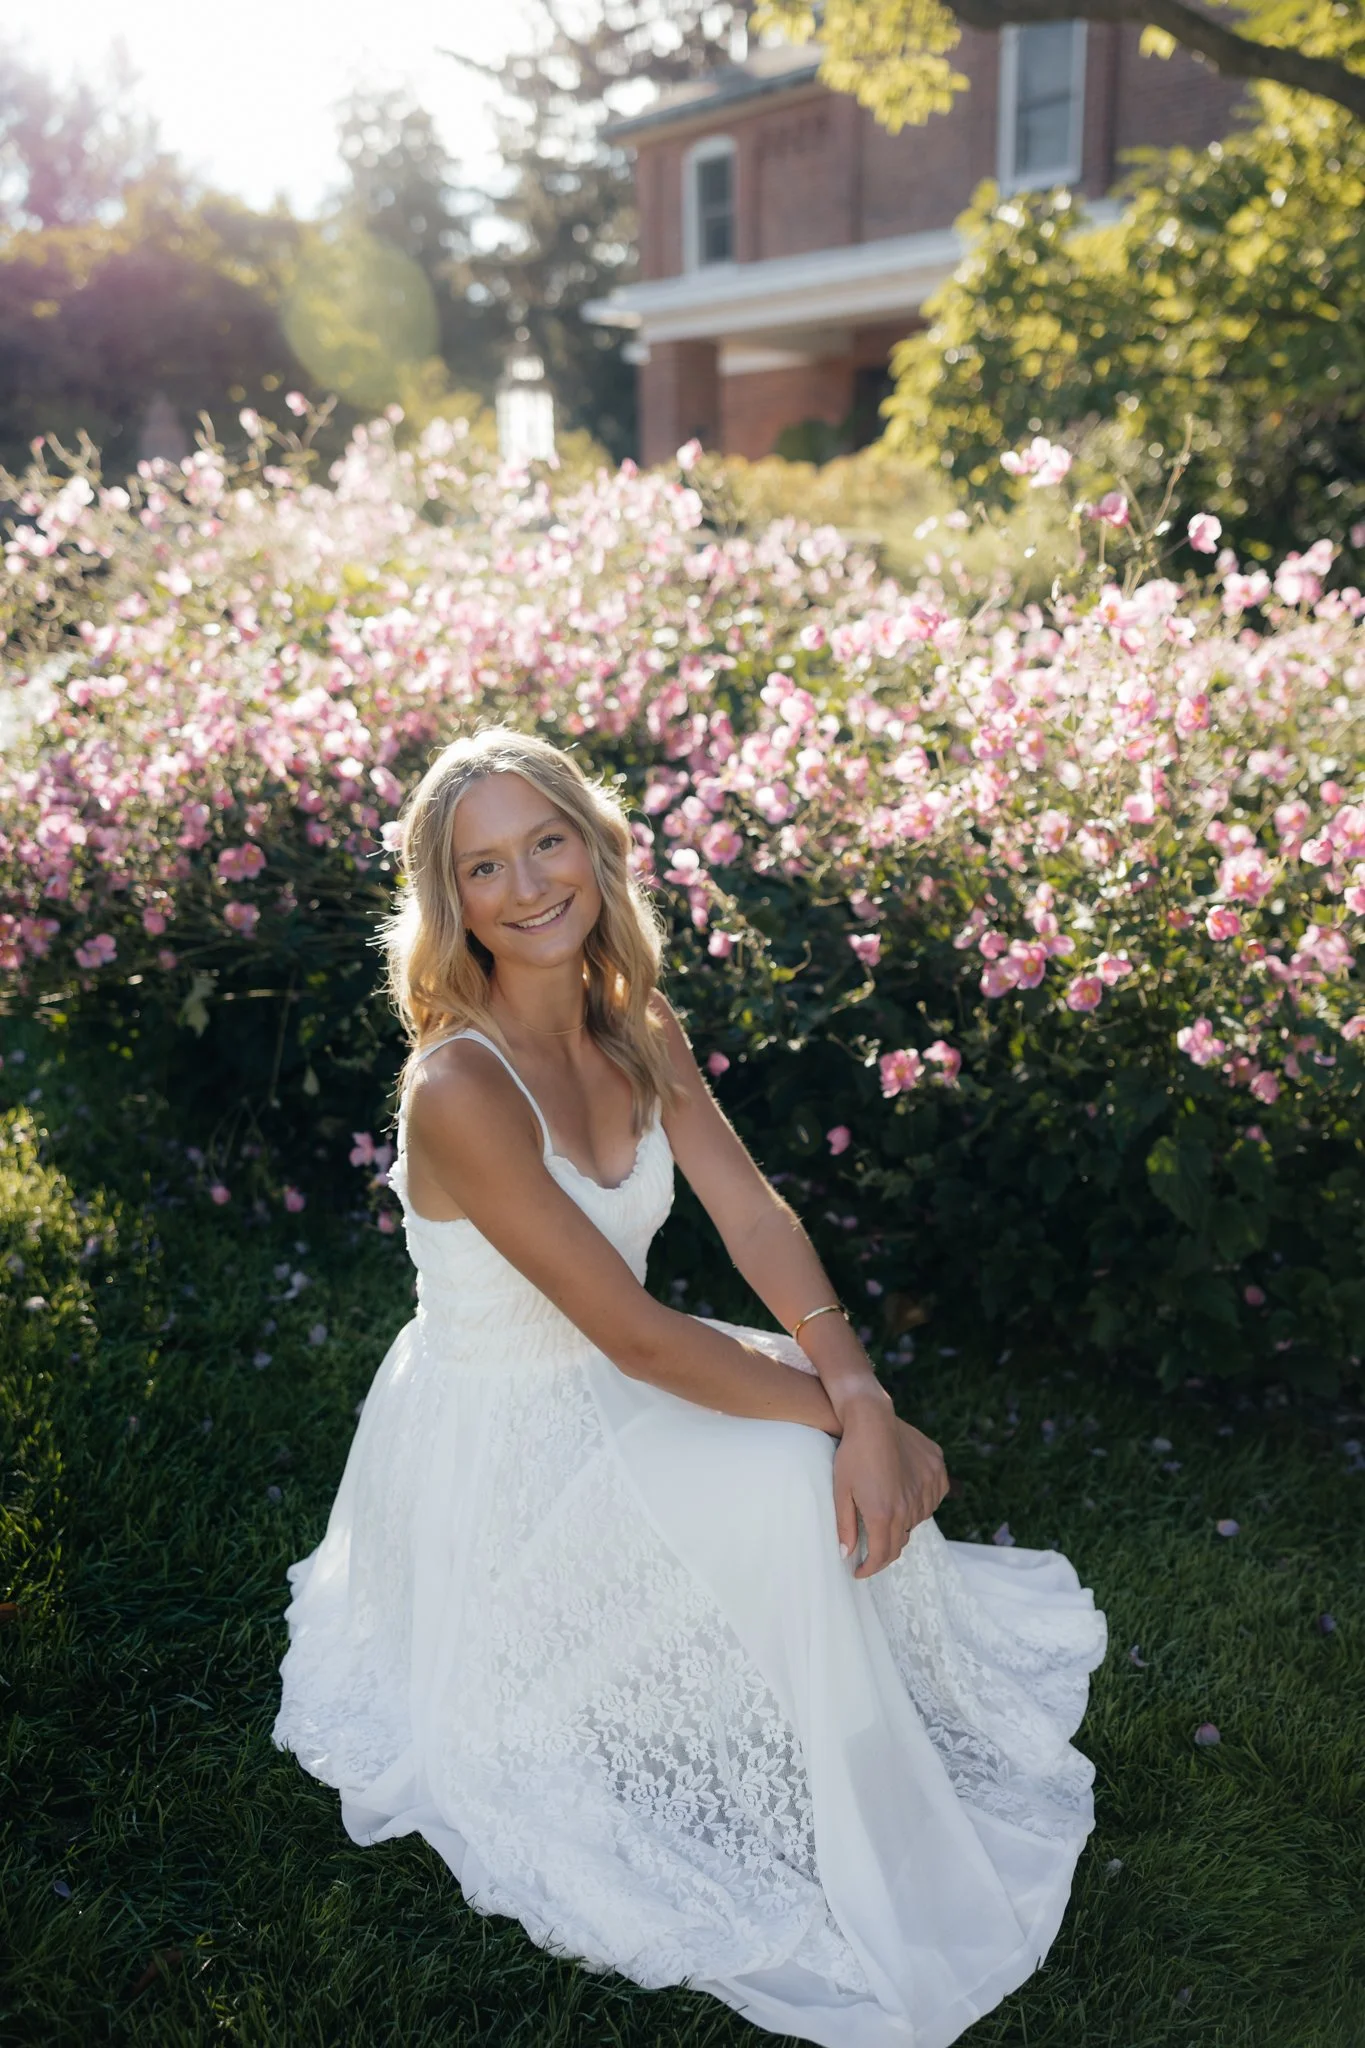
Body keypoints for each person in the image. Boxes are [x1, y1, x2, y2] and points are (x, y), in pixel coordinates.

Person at [272, 723, 1108, 2048]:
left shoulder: (634, 1020)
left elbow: (753, 1215)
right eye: (484, 867)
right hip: (506, 1434)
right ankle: (835, 1795)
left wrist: (859, 1386)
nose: (529, 883)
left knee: (809, 1441)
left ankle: (853, 1739)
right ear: (454, 905)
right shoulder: (458, 1088)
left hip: (627, 1369)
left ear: (596, 849)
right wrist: (843, 1420)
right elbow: (642, 1341)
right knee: (797, 1469)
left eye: (547, 842)